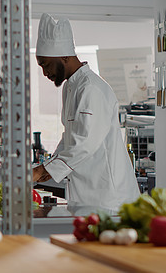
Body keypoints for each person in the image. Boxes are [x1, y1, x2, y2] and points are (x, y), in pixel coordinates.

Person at [32, 14, 140, 211]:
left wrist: (42, 170)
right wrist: (46, 169)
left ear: (64, 57)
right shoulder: (70, 88)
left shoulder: (91, 88)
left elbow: (85, 143)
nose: (45, 72)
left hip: (108, 198)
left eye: (45, 64)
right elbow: (69, 138)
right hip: (85, 196)